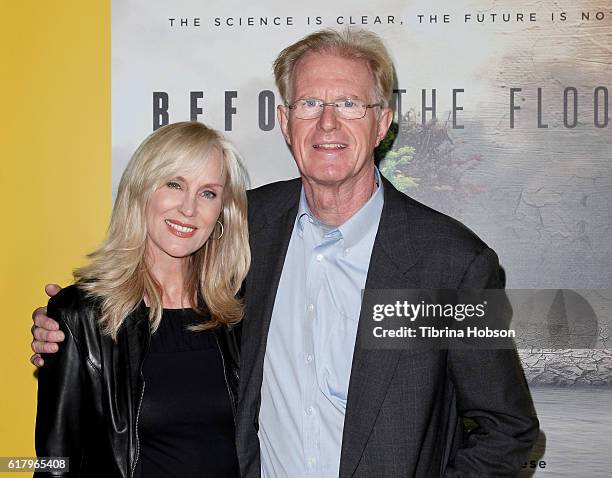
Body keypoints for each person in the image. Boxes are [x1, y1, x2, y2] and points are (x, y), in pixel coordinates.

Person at [32, 29, 538, 477]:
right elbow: (155, 299)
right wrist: (72, 325)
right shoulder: (240, 227)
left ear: (382, 122)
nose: (328, 124)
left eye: (349, 104)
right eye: (309, 104)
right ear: (284, 120)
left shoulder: (456, 262)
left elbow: (508, 428)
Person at [33, 121, 249, 477]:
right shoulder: (80, 316)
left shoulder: (240, 312)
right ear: (141, 190)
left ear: (223, 212)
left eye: (208, 192)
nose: (189, 208)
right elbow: (55, 465)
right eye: (174, 184)